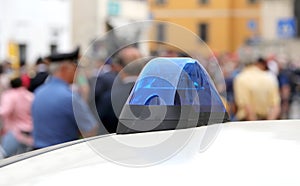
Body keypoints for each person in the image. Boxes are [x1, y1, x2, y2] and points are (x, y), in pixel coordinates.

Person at [32, 48, 99, 149]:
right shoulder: (69, 97)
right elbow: (91, 130)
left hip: (38, 154)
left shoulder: (39, 92)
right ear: (64, 68)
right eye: (75, 68)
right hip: (63, 155)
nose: (77, 72)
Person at [0, 77, 34, 158]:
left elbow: (4, 111)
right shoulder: (29, 95)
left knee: (5, 157)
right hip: (30, 131)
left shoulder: (9, 95)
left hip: (14, 132)